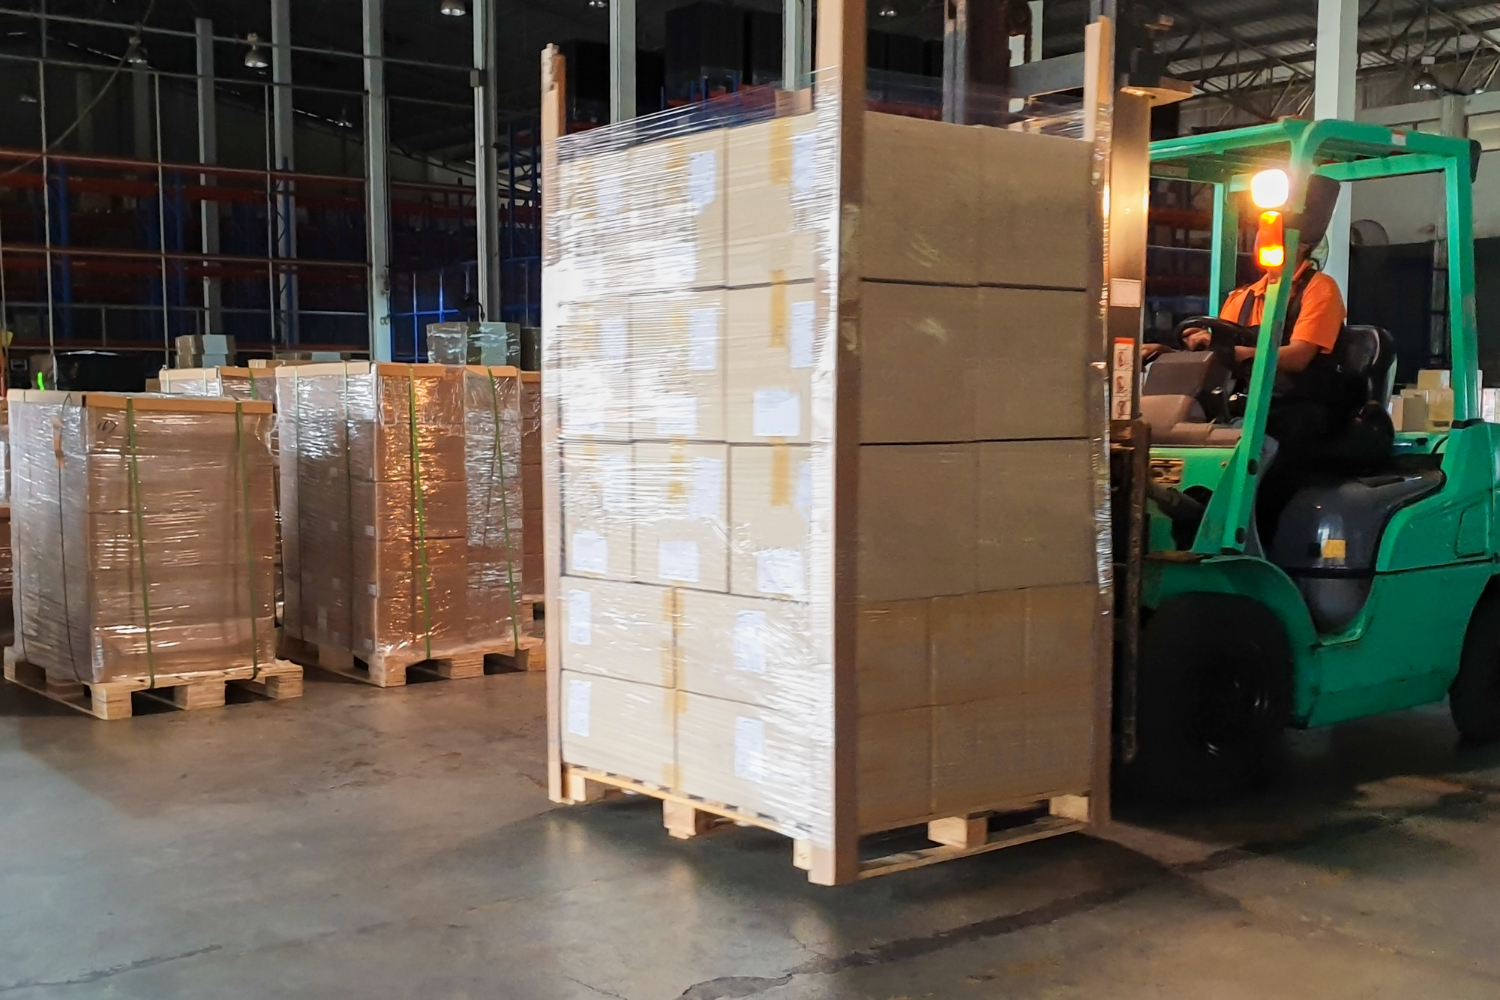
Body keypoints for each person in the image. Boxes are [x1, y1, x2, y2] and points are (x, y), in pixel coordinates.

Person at [1185, 174, 1347, 542]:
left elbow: (1299, 356)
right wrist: (1184, 345)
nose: (1263, 237)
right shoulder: (1242, 296)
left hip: (1299, 404)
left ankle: (1261, 538)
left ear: (1302, 242)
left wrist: (1238, 353)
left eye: (1272, 229)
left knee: (1266, 448)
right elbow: (1218, 342)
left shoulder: (1320, 289)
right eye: (1261, 229)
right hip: (1246, 403)